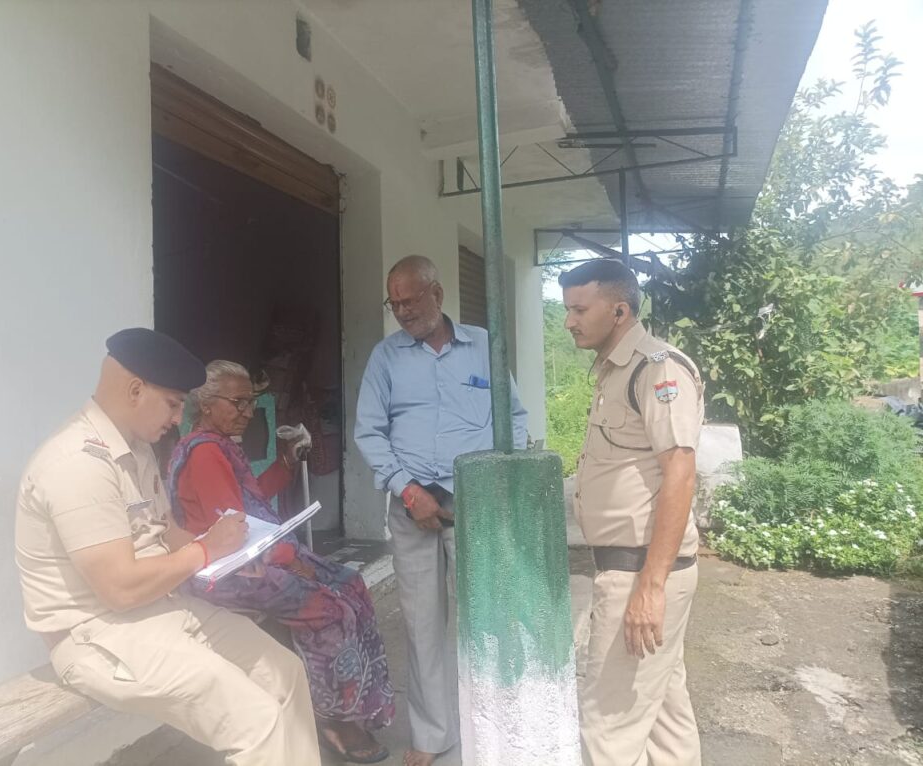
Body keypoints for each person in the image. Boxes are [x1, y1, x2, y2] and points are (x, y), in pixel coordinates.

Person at [14, 328, 321, 766]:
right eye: (174, 403)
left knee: (285, 673)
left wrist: (236, 553)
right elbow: (120, 589)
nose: (179, 418)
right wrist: (206, 550)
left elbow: (166, 532)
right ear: (135, 390)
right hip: (98, 635)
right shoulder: (75, 463)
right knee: (259, 721)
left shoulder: (136, 449)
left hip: (162, 610)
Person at [167, 360, 394, 765]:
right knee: (331, 609)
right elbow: (234, 531)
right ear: (206, 403)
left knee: (351, 582)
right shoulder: (205, 453)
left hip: (250, 556)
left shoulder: (219, 445)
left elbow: (250, 499)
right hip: (228, 572)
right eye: (237, 402)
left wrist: (286, 462)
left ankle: (355, 703)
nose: (247, 411)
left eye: (251, 401)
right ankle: (331, 717)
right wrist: (291, 559)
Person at [354, 255, 528, 766]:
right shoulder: (385, 357)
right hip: (411, 506)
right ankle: (432, 735)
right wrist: (409, 491)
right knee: (422, 625)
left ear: (438, 294)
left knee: (487, 617)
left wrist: (496, 484)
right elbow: (369, 431)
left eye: (411, 300)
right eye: (395, 304)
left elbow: (514, 419)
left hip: (474, 501)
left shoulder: (484, 346)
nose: (403, 311)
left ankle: (492, 723)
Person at [560, 259, 703, 765]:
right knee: (665, 719)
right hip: (632, 568)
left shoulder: (657, 369)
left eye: (580, 310)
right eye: (567, 310)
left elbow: (680, 473)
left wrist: (651, 587)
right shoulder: (615, 369)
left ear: (619, 311)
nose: (569, 322)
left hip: (639, 571)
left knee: (608, 727)